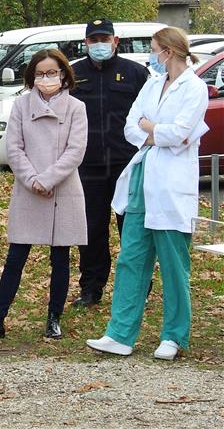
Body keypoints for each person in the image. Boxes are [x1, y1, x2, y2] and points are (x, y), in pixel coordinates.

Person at [87, 27, 208, 361]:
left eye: (155, 49)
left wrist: (150, 128)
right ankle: (120, 333)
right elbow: (130, 125)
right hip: (143, 176)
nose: (152, 55)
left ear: (168, 51)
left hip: (171, 184)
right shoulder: (153, 84)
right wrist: (154, 133)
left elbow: (181, 133)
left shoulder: (194, 88)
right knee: (131, 258)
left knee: (172, 262)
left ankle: (174, 336)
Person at [0, 49, 87, 342]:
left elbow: (76, 151)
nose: (46, 79)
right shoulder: (21, 105)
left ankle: (54, 318)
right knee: (16, 256)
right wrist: (33, 180)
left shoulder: (76, 108)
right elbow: (14, 146)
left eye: (52, 72)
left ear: (63, 74)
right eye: (40, 73)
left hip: (62, 189)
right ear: (31, 76)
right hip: (28, 187)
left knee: (60, 257)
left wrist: (48, 179)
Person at [70, 18, 150, 306]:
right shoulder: (74, 73)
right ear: (86, 43)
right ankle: (91, 288)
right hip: (87, 165)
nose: (99, 45)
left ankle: (137, 287)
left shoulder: (136, 73)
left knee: (131, 228)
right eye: (94, 40)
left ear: (115, 41)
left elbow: (150, 115)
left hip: (126, 165)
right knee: (91, 229)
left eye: (105, 39)